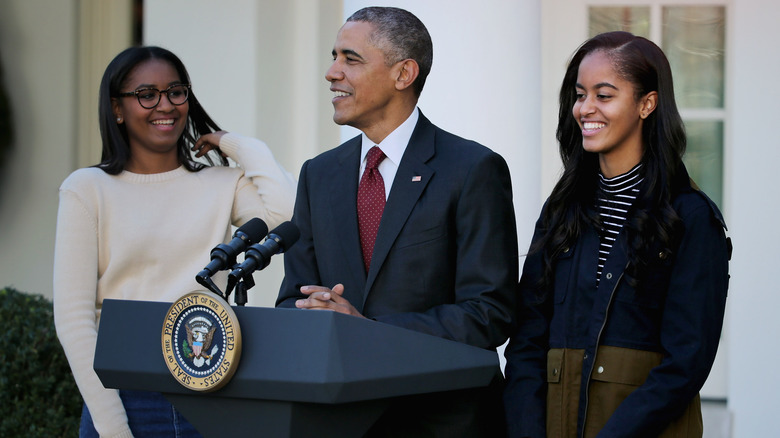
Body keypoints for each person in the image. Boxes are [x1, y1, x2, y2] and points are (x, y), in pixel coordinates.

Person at [275, 6, 518, 436]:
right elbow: (293, 299)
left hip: (442, 421)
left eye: (350, 59)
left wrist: (368, 330)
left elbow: (489, 313)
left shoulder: (473, 168)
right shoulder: (319, 173)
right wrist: (310, 313)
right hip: (341, 420)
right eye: (334, 57)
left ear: (404, 74)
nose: (331, 73)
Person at [53, 46, 296, 438]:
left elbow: (286, 213)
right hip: (127, 396)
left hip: (214, 388)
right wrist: (114, 427)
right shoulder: (87, 189)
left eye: (176, 92)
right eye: (146, 94)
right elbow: (73, 319)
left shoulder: (221, 183)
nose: (164, 105)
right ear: (117, 108)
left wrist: (234, 143)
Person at [503, 31, 731, 437]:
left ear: (647, 104)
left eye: (604, 95)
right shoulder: (561, 212)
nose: (585, 108)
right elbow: (527, 344)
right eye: (579, 94)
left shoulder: (691, 218)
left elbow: (687, 362)